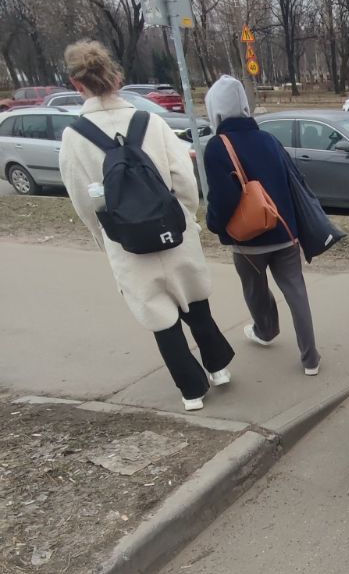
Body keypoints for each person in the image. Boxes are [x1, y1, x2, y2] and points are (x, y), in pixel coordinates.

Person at [58, 41, 234, 412]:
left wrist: (105, 237)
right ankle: (218, 368)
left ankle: (191, 392)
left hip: (126, 242)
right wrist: (185, 217)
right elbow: (183, 176)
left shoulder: (74, 137)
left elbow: (83, 201)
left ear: (77, 84)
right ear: (116, 77)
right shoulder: (149, 122)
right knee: (196, 304)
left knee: (161, 320)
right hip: (173, 231)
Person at [203, 76, 320, 375]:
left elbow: (223, 198)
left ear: (215, 109)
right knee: (297, 293)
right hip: (285, 233)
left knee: (255, 290)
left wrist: (214, 225)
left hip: (248, 241)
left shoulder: (218, 147)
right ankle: (310, 359)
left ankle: (266, 331)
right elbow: (293, 183)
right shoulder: (269, 140)